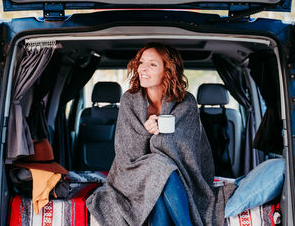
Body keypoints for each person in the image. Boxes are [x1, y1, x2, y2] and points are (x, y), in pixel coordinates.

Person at [86, 43, 235, 226]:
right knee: (160, 167)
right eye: (141, 63)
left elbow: (188, 150)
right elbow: (126, 152)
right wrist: (145, 132)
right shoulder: (129, 100)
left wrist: (162, 139)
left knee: (161, 175)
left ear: (168, 70)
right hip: (132, 174)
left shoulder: (186, 102)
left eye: (152, 64)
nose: (143, 69)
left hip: (180, 171)